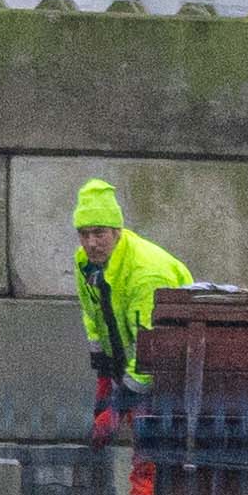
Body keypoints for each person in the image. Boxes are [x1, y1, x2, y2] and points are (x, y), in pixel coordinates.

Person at [70, 176, 192, 426]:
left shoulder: (146, 274)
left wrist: (119, 406)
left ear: (117, 232)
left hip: (177, 366)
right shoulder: (85, 263)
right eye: (84, 234)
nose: (91, 243)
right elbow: (93, 316)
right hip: (143, 362)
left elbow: (153, 348)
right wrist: (104, 371)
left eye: (99, 233)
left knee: (155, 438)